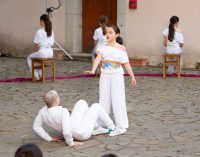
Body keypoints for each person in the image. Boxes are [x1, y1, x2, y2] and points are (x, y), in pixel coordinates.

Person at [85, 25, 136, 136]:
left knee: (118, 99)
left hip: (117, 75)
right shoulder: (102, 47)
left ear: (116, 35)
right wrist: (93, 70)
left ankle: (121, 127)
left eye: (110, 32)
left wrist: (132, 76)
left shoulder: (122, 48)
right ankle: (102, 125)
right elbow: (98, 58)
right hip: (105, 76)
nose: (107, 34)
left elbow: (126, 63)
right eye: (106, 32)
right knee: (103, 99)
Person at [33, 90, 115, 147]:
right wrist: (71, 143)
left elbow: (36, 127)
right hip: (82, 133)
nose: (59, 98)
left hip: (75, 127)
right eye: (58, 97)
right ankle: (112, 127)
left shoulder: (42, 111)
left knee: (81, 102)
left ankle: (95, 126)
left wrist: (48, 138)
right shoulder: (63, 112)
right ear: (56, 101)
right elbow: (66, 131)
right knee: (96, 106)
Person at [27, 14, 54, 80]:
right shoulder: (51, 31)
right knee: (37, 60)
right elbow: (52, 43)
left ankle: (36, 76)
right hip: (50, 52)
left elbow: (36, 45)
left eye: (40, 21)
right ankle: (41, 76)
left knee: (29, 57)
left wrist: (37, 51)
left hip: (43, 52)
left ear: (42, 21)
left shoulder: (39, 31)